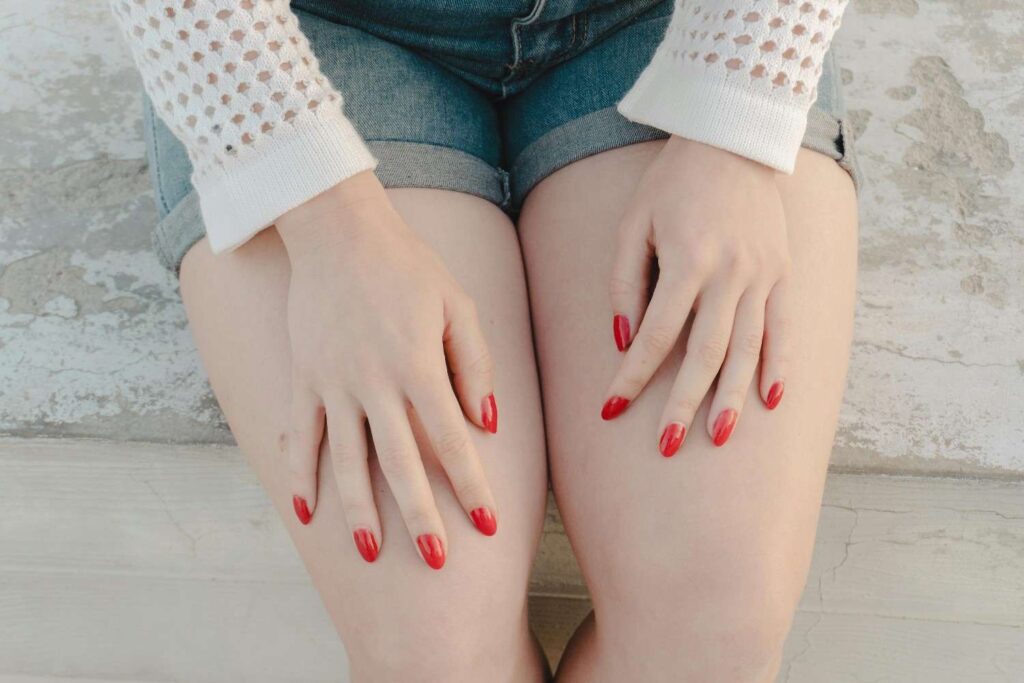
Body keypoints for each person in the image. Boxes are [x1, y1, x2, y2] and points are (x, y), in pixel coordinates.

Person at [110, 0, 860, 680]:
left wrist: (732, 128)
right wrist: (327, 225)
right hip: (300, 39)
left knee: (713, 624)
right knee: (433, 641)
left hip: (676, 22)